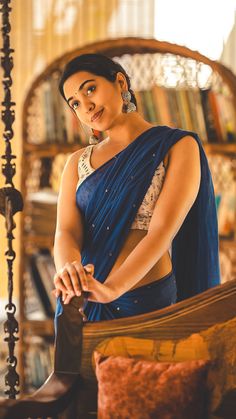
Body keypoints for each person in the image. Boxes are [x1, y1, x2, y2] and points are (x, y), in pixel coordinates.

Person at [53, 53, 220, 322]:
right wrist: (69, 274)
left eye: (90, 89)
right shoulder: (77, 163)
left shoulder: (177, 146)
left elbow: (162, 231)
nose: (86, 106)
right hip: (83, 304)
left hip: (146, 301)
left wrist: (112, 289)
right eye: (75, 103)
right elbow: (66, 232)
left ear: (120, 83)